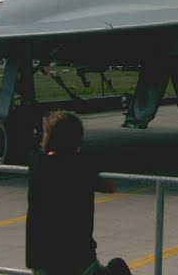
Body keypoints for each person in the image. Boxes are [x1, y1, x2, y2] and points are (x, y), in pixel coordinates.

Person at [26, 111, 127, 275]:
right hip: (79, 262)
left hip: (42, 262)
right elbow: (111, 187)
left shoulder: (36, 163)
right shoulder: (82, 165)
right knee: (117, 267)